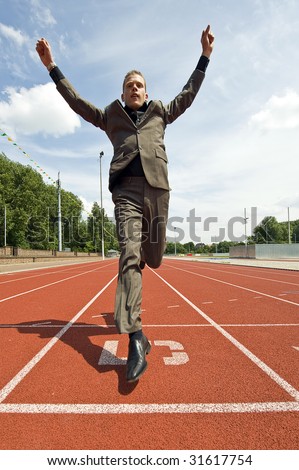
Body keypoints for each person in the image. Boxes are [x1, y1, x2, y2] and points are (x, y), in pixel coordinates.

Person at [36, 25, 214, 383]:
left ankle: (139, 313)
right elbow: (78, 103)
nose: (134, 88)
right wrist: (52, 68)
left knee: (155, 258)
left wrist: (205, 57)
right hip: (126, 194)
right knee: (129, 256)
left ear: (147, 92)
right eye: (129, 85)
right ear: (122, 92)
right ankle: (135, 337)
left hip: (158, 192)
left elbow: (189, 93)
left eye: (139, 85)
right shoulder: (110, 116)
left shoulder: (162, 111)